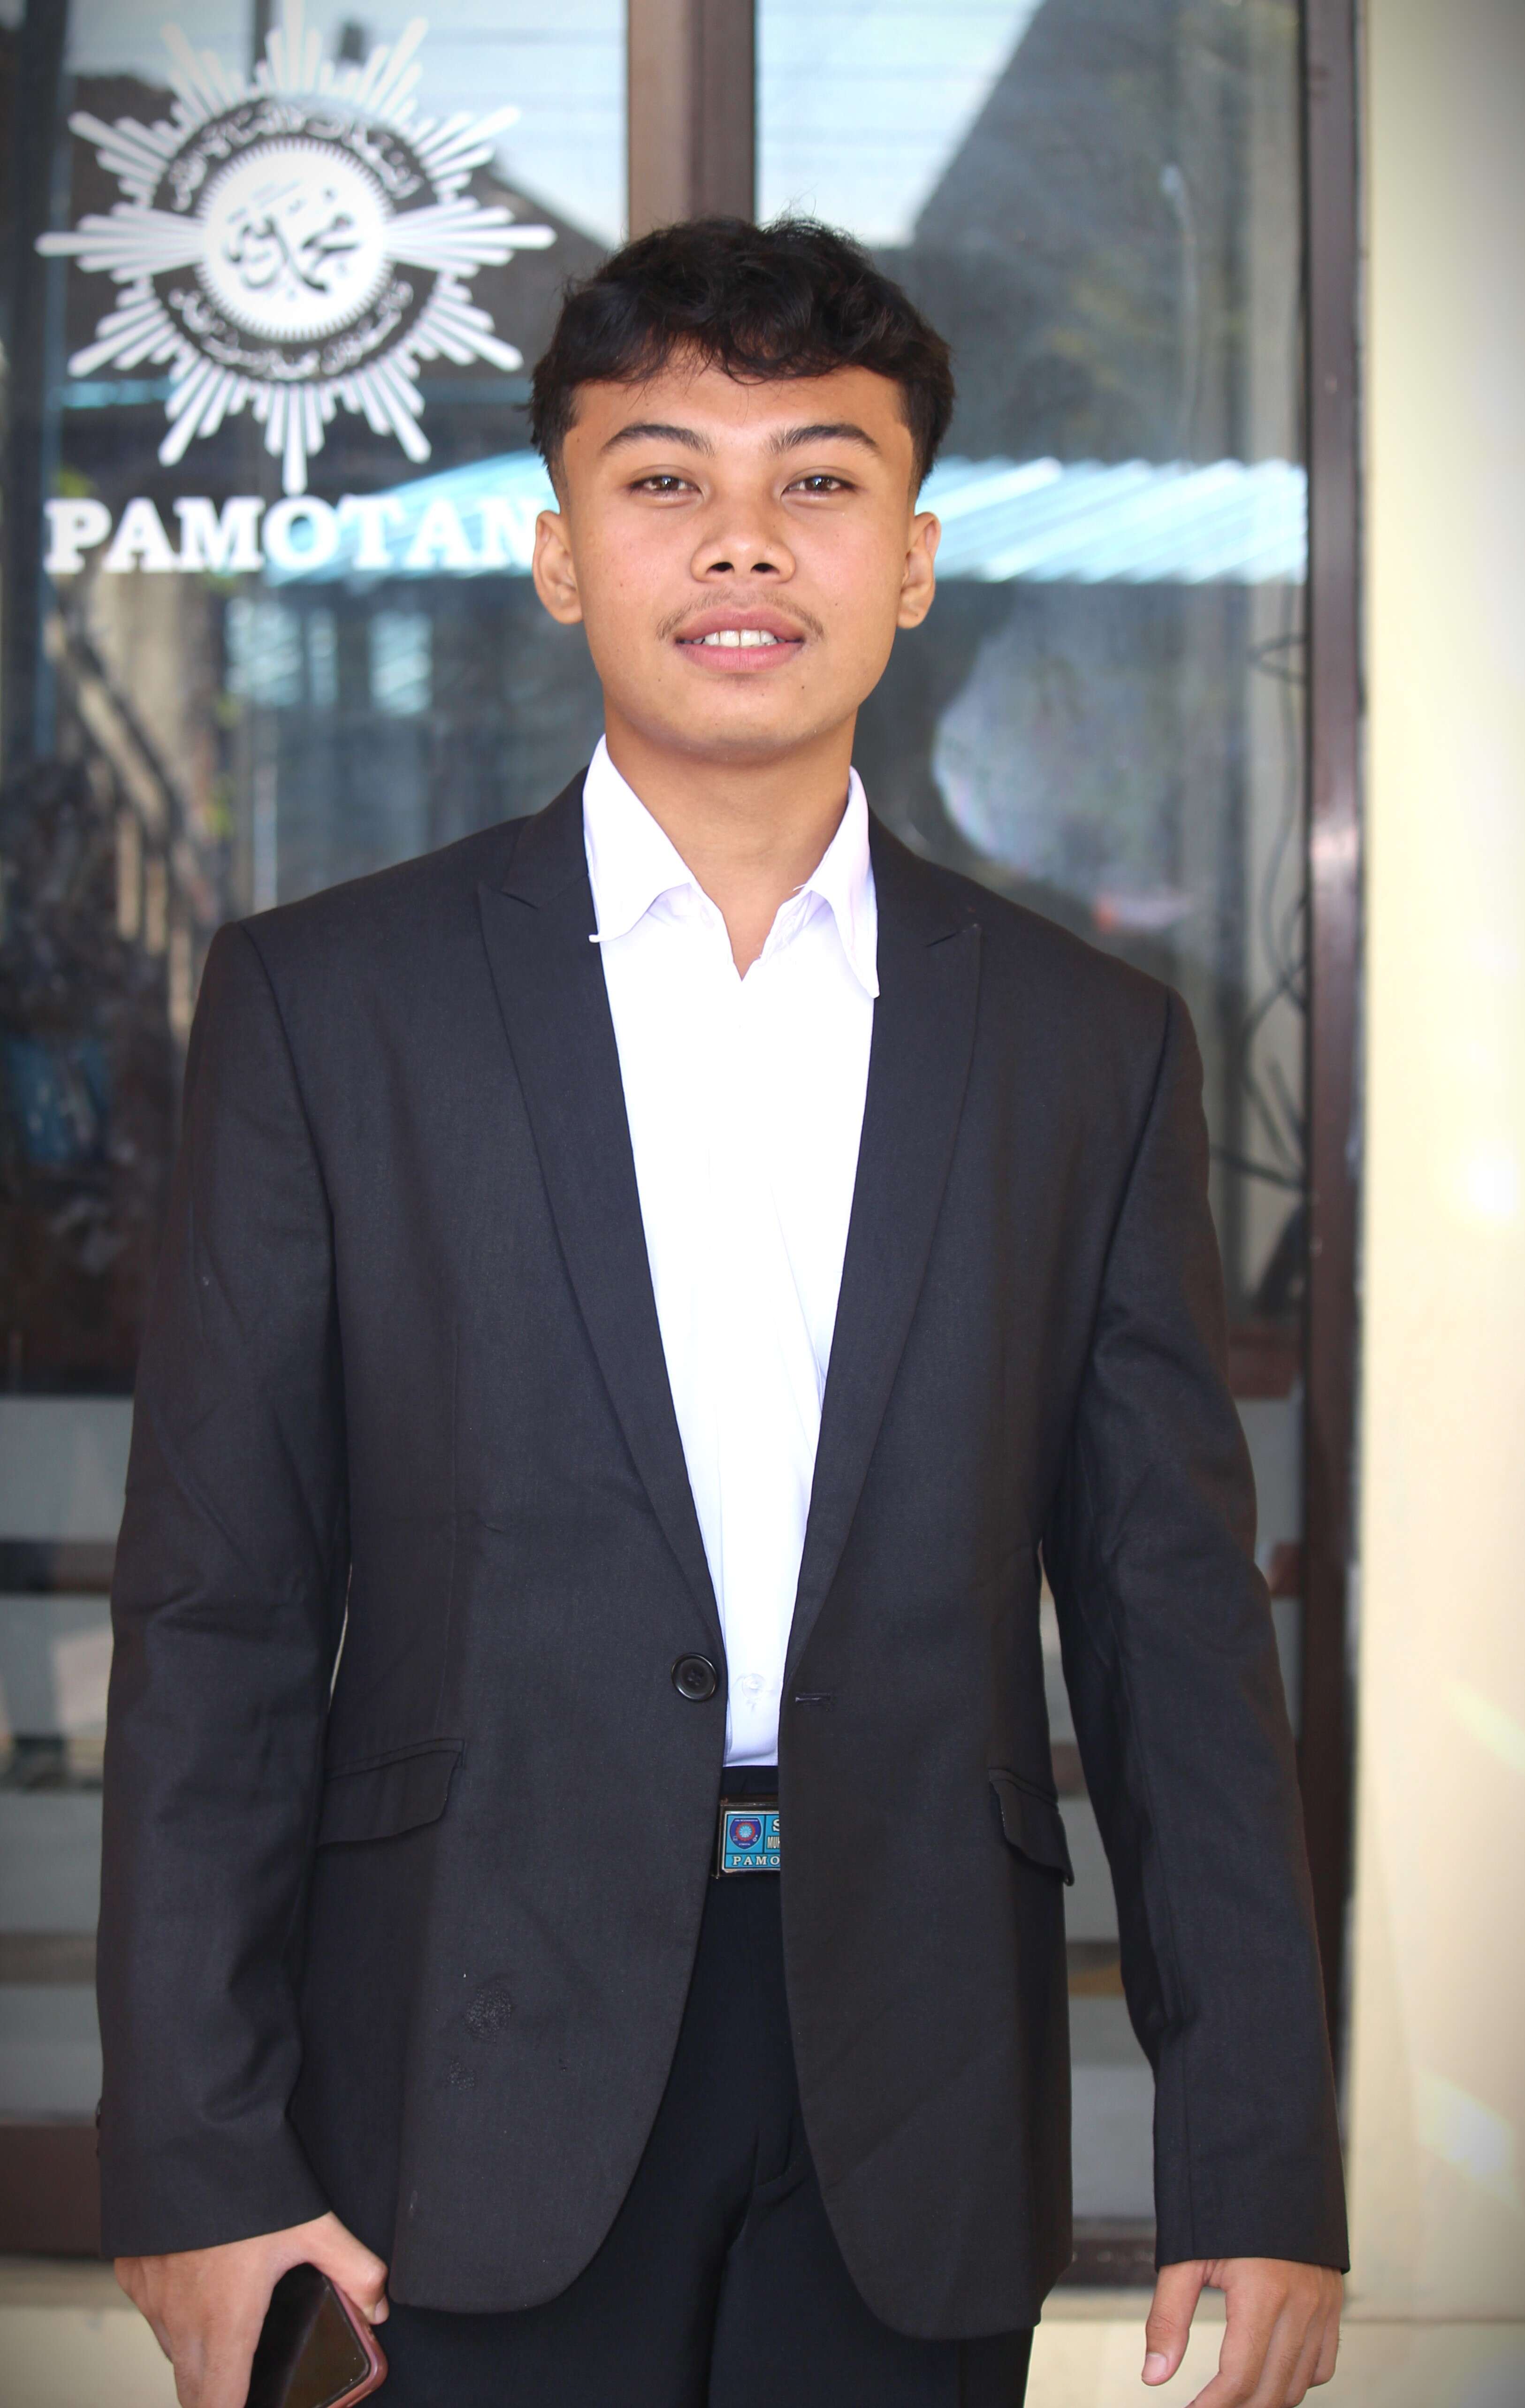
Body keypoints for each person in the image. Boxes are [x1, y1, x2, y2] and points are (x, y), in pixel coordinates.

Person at [101, 218, 1347, 2408]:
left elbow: (1172, 1626)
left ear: (917, 559)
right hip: (463, 2051)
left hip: (917, 2072)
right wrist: (201, 2154)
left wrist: (1258, 2147)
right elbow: (220, 1611)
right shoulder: (333, 1005)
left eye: (822, 480)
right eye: (665, 477)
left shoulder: (1083, 1042)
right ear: (561, 552)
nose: (745, 542)